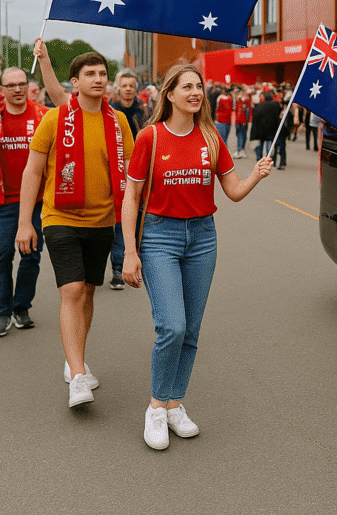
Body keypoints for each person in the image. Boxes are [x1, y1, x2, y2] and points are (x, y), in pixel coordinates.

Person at [120, 64, 272, 450]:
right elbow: (131, 198)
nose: (195, 92)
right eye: (186, 86)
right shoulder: (150, 137)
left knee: (191, 330)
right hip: (159, 238)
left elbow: (233, 191)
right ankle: (155, 407)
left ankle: (175, 404)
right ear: (168, 94)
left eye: (199, 86)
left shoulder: (210, 138)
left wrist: (255, 174)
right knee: (171, 325)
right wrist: (130, 253)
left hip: (203, 237)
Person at [16, 52, 134, 408]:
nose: (98, 79)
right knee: (71, 291)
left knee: (87, 292)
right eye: (90, 74)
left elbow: (132, 176)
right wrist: (25, 222)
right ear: (76, 82)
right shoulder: (55, 119)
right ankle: (79, 376)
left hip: (103, 221)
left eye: (102, 73)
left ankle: (75, 360)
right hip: (60, 217)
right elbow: (32, 172)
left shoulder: (120, 123)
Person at [0, 42, 68, 336]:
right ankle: (3, 308)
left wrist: (46, 60)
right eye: (10, 85)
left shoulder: (42, 116)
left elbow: (65, 108)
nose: (17, 89)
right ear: (1, 90)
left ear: (29, 86)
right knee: (0, 256)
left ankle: (21, 305)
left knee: (31, 256)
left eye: (22, 84)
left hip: (38, 201)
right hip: (1, 202)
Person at [107, 70, 149, 289]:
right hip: (116, 170)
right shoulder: (110, 112)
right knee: (117, 221)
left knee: (134, 220)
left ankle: (126, 263)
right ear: (118, 88)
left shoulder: (144, 111)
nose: (128, 89)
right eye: (125, 86)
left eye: (132, 85)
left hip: (140, 171)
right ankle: (116, 265)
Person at [250, 91, 280, 161]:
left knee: (260, 144)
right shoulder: (275, 105)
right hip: (271, 129)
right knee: (269, 144)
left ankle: (259, 158)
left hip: (261, 129)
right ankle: (269, 157)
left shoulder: (259, 106)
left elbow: (255, 118)